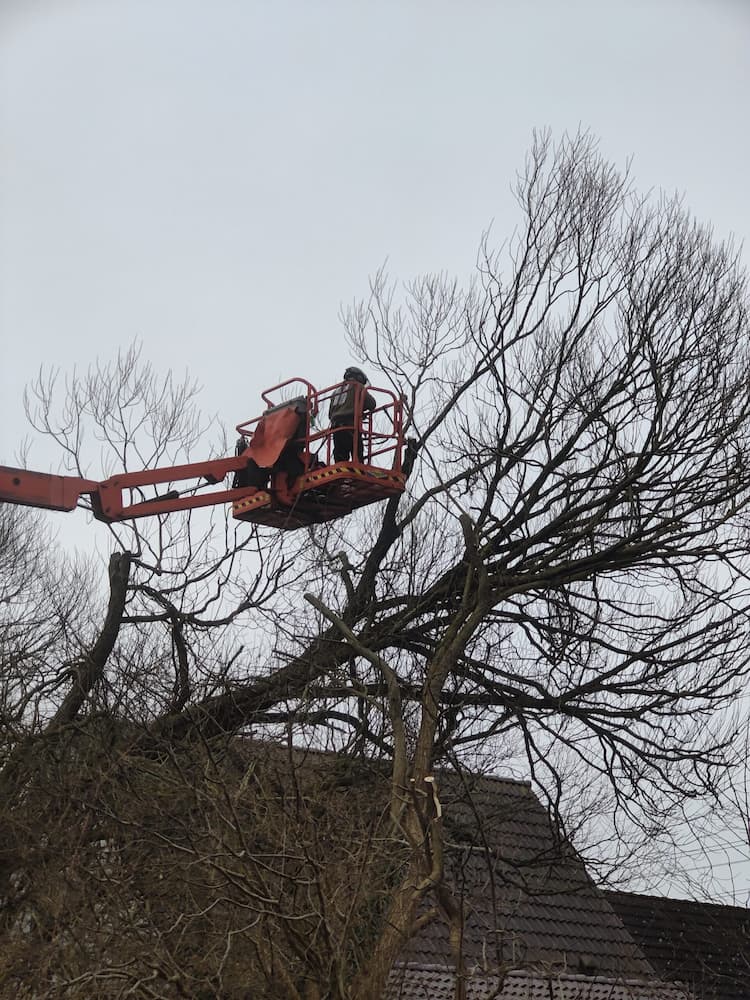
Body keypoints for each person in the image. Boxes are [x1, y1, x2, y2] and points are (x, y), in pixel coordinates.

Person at [329, 366, 376, 463]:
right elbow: (371, 404)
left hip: (336, 428)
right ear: (359, 378)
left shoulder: (335, 392)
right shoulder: (357, 387)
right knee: (357, 455)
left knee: (340, 457)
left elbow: (330, 414)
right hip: (351, 426)